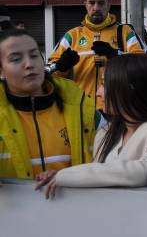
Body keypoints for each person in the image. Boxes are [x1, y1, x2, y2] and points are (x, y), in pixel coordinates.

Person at [34, 54, 147, 198]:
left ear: (130, 89)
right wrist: (64, 176)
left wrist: (66, 175)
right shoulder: (107, 131)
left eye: (104, 84)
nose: (98, 93)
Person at [0, 30, 98, 179]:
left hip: (80, 202)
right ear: (1, 71)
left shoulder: (83, 107)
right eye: (16, 59)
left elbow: (115, 160)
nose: (29, 64)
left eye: (34, 55)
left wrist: (68, 177)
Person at [48, 0, 145, 110]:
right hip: (81, 109)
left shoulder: (125, 32)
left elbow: (143, 65)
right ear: (85, 4)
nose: (96, 7)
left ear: (109, 4)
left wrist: (115, 55)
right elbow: (49, 75)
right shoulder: (72, 35)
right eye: (91, 3)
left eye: (101, 3)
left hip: (116, 108)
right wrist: (62, 66)